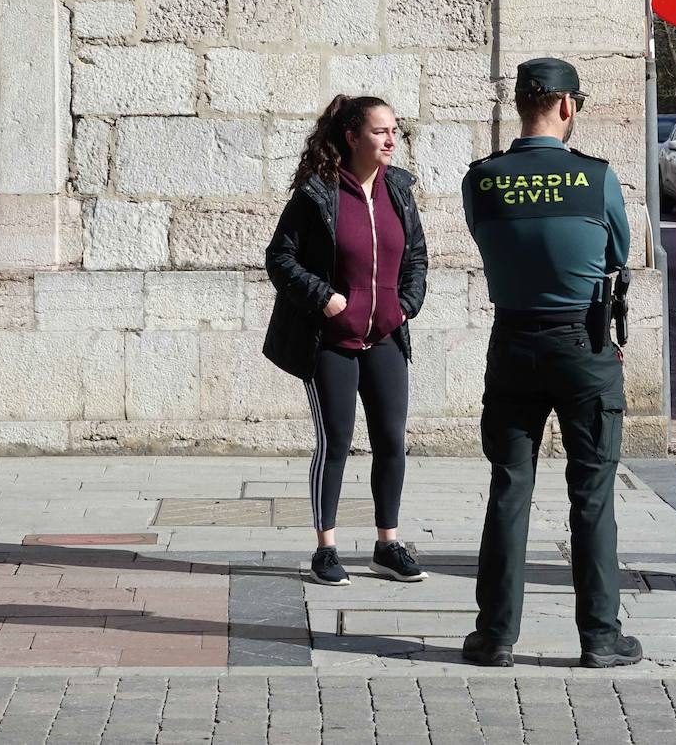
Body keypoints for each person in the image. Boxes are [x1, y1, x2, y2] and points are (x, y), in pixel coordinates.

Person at [459, 57, 637, 668]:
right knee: (591, 492)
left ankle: (495, 636)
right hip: (583, 346)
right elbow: (619, 249)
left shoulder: (482, 179)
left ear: (521, 105)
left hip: (512, 341)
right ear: (567, 106)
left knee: (509, 487)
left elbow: (487, 239)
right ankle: (600, 637)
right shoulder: (597, 178)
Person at [263, 95, 429, 587]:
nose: (391, 140)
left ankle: (387, 544)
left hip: (385, 337)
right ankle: (326, 547)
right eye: (380, 131)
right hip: (330, 340)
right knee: (335, 443)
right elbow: (280, 259)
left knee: (392, 443)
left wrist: (405, 305)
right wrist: (326, 299)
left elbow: (416, 258)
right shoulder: (318, 194)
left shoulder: (399, 190)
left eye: (394, 130)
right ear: (353, 137)